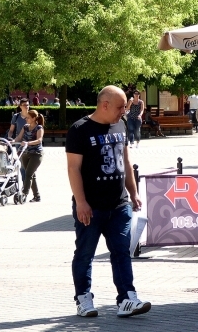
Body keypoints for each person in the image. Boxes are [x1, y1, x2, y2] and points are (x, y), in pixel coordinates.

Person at [66, 86, 150, 318]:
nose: (124, 111)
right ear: (104, 105)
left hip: (119, 204)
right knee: (85, 253)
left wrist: (133, 192)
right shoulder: (80, 129)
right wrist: (81, 202)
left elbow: (125, 159)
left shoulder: (120, 124)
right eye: (121, 107)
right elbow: (73, 168)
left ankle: (127, 298)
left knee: (121, 251)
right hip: (91, 207)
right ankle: (83, 298)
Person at [14, 109, 44, 202]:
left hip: (36, 154)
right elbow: (19, 137)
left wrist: (27, 143)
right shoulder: (25, 127)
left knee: (28, 174)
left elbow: (39, 140)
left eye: (28, 117)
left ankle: (24, 194)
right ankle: (37, 196)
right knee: (31, 175)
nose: (26, 119)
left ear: (34, 118)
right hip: (25, 153)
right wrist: (11, 141)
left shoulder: (39, 128)